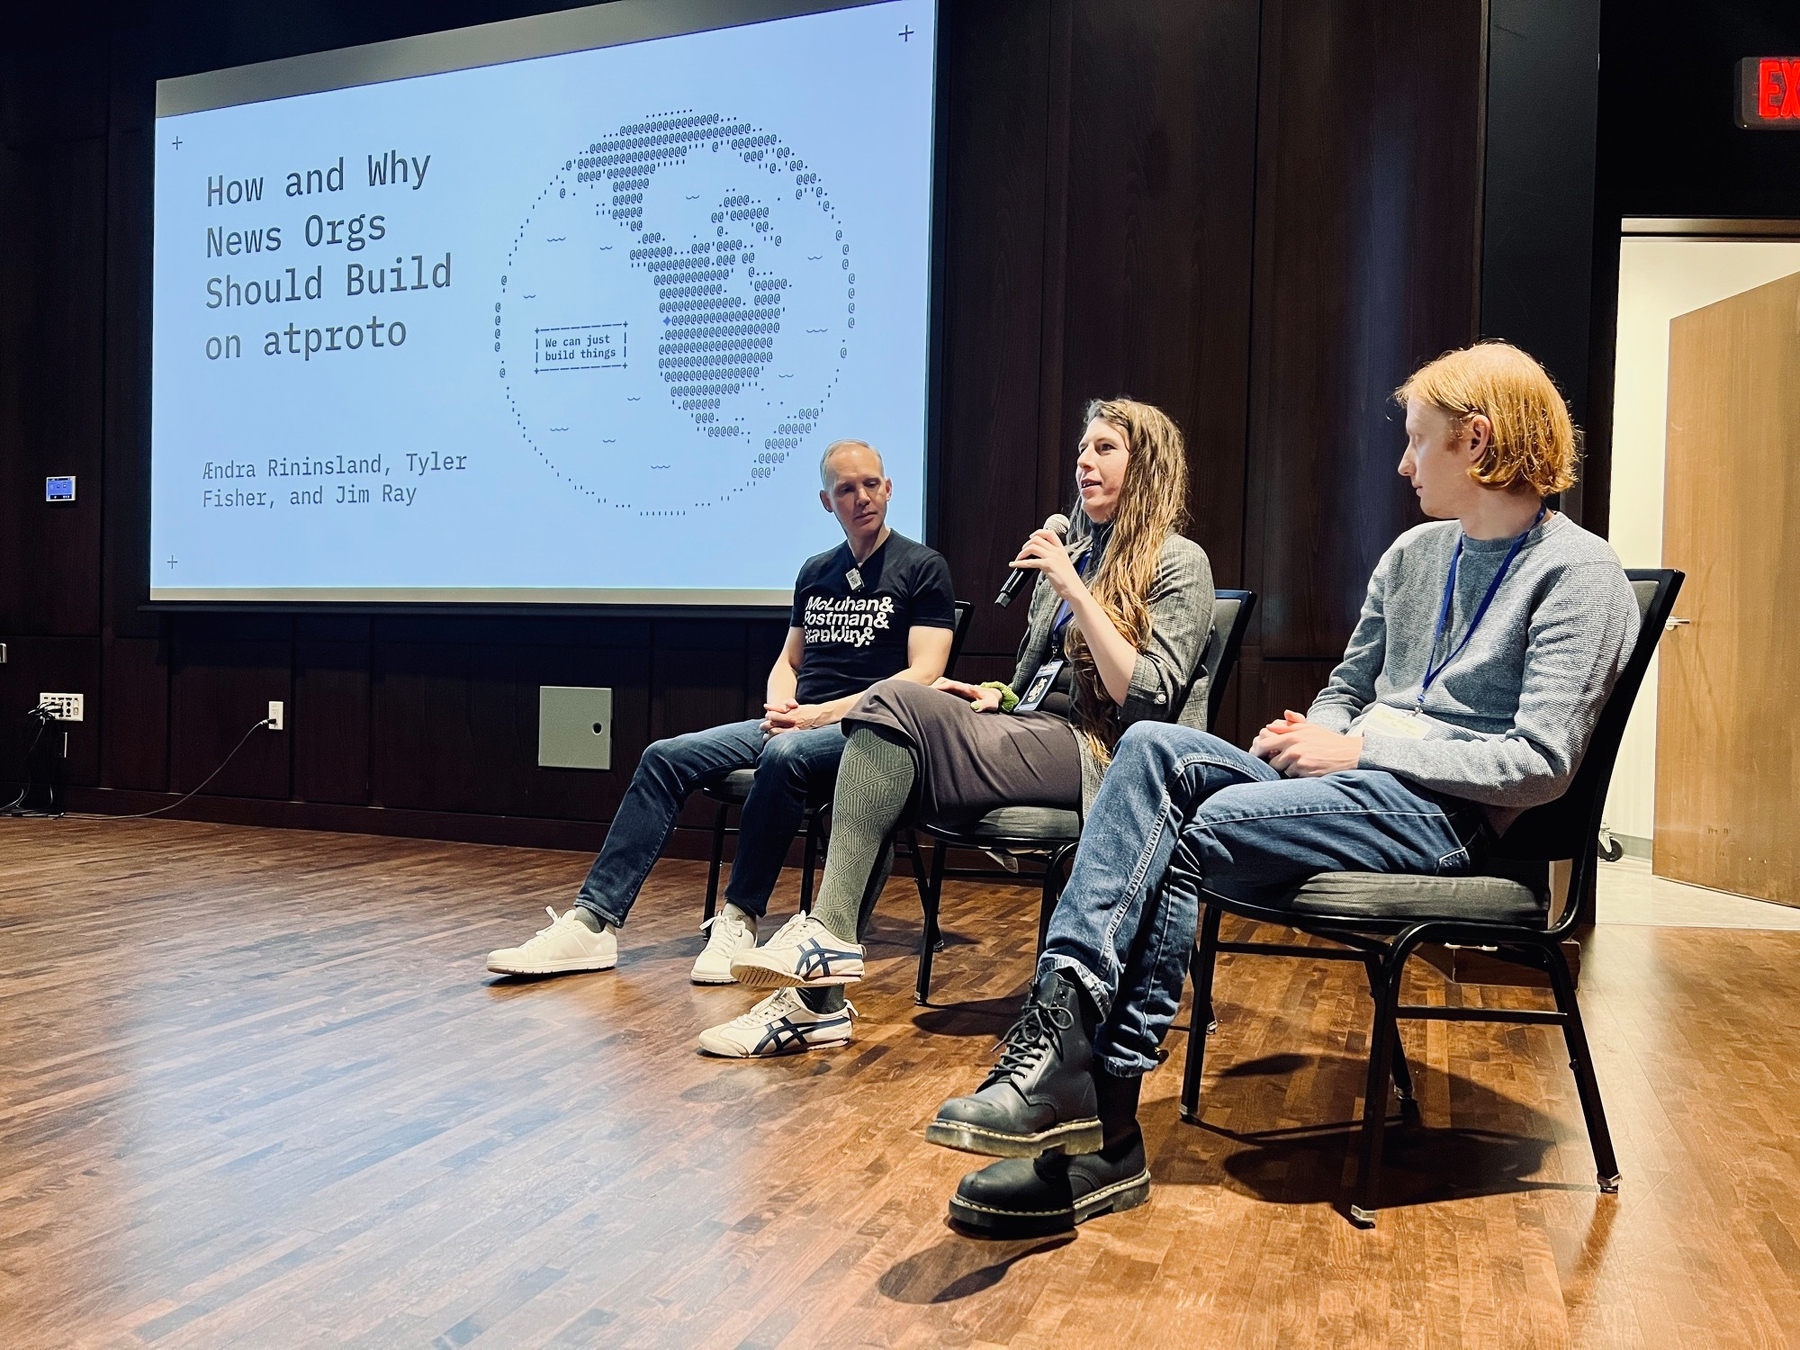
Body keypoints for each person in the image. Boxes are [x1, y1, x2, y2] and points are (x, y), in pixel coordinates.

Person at [922, 341, 1642, 1237]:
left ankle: (1096, 1127)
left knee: (1184, 831)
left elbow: (1539, 763)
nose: (1404, 461)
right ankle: (1066, 1051)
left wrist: (1362, 745)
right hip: (1353, 787)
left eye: (1419, 441)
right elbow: (1348, 685)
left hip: (1444, 819)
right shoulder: (1416, 555)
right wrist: (1311, 731)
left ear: (1478, 441)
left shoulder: (1579, 575)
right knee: (1150, 747)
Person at [695, 398, 1216, 1058]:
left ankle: (818, 969)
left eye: (1104, 448)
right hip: (1030, 732)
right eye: (1081, 448)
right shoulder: (1077, 555)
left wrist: (1076, 591)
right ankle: (819, 998)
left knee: (893, 706)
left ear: (1149, 465)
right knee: (892, 733)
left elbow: (1147, 699)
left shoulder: (1178, 561)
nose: (1083, 460)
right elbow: (1034, 682)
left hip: (1101, 755)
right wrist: (987, 695)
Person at [486, 440, 957, 986]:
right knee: (664, 757)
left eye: (871, 485)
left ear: (889, 488)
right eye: (846, 489)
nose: (861, 498)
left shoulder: (922, 567)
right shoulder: (815, 571)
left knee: (784, 754)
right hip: (798, 723)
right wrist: (783, 701)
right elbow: (790, 659)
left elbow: (922, 674)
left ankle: (738, 920)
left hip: (869, 732)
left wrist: (817, 716)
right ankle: (593, 923)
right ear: (826, 501)